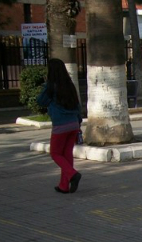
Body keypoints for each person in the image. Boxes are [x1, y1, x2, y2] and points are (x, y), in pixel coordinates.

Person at [37, 58, 83, 194]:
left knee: (55, 153)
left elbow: (40, 101)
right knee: (66, 154)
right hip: (73, 124)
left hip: (60, 125)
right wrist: (79, 123)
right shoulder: (70, 85)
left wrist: (46, 86)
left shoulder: (51, 87)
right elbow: (77, 105)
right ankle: (64, 186)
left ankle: (73, 174)